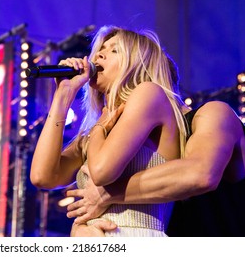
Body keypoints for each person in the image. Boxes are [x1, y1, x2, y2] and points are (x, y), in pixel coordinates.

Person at [30, 25, 189, 236]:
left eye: (114, 50)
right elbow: (43, 177)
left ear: (138, 64)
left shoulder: (150, 94)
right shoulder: (98, 130)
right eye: (100, 49)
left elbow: (102, 171)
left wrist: (98, 129)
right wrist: (63, 96)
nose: (99, 54)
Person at [67, 100, 245, 236]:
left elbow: (201, 174)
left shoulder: (213, 113)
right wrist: (81, 228)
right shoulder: (130, 143)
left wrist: (108, 193)